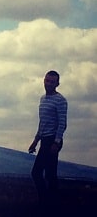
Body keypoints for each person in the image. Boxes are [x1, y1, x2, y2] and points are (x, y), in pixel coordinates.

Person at [28, 70, 68, 207]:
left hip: (52, 140)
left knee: (37, 172)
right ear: (43, 81)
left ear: (57, 84)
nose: (48, 84)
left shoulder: (60, 100)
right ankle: (53, 203)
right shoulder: (43, 99)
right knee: (50, 174)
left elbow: (62, 123)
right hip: (45, 139)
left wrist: (56, 142)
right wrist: (35, 141)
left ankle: (46, 202)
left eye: (52, 82)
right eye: (47, 80)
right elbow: (42, 123)